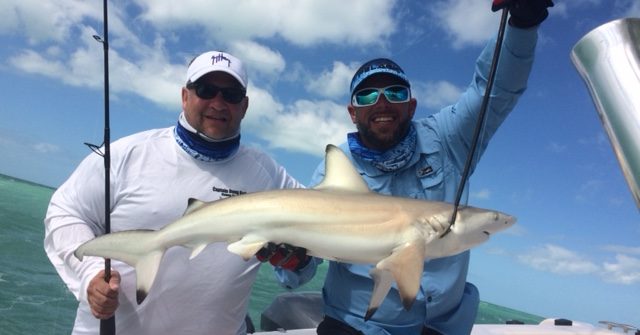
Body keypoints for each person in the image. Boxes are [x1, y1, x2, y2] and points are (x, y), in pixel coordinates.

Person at [265, 1, 554, 334]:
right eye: (367, 96)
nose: (382, 102)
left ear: (411, 104)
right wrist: (293, 262)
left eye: (395, 91)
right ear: (352, 112)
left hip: (442, 325)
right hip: (356, 323)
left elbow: (494, 91)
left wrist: (521, 24)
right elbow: (304, 265)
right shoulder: (336, 168)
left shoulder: (449, 139)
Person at [44, 50, 302, 335]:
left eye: (231, 94)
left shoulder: (270, 175)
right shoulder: (128, 154)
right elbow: (64, 211)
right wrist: (89, 274)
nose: (218, 102)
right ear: (184, 95)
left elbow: (306, 262)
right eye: (206, 90)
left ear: (244, 105)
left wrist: (295, 261)